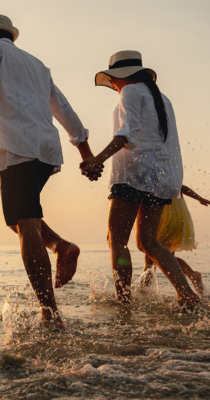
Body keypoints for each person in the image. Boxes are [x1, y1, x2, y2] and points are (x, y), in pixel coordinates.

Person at [0, 14, 98, 329]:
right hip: (43, 151)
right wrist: (85, 151)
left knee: (25, 223)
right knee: (15, 218)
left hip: (16, 148)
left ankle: (51, 313)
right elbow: (63, 107)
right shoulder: (37, 65)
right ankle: (60, 246)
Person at [82, 50, 200, 309]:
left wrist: (97, 159)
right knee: (148, 242)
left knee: (117, 240)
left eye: (112, 79)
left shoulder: (131, 92)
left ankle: (123, 302)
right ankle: (187, 294)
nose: (112, 84)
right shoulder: (163, 98)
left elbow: (127, 135)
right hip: (161, 179)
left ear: (121, 76)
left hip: (134, 177)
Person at [141, 184, 209, 296]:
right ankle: (191, 276)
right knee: (163, 254)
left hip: (163, 216)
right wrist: (199, 198)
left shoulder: (154, 173)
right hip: (175, 215)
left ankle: (144, 288)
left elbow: (180, 186)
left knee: (152, 251)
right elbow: (180, 186)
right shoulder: (169, 173)